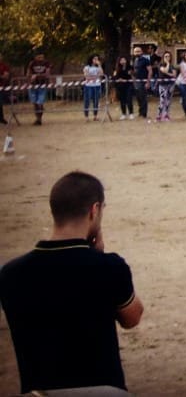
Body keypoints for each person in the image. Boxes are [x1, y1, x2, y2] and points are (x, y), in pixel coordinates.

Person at [0, 171, 144, 394]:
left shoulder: (10, 274)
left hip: (40, 394)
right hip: (103, 392)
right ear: (94, 210)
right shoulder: (109, 267)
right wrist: (98, 257)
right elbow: (132, 318)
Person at [26, 51, 51, 125]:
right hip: (33, 85)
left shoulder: (46, 63)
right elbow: (28, 74)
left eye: (42, 57)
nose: (41, 59)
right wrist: (30, 78)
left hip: (42, 85)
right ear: (35, 57)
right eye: (39, 57)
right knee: (34, 103)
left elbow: (47, 74)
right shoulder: (32, 63)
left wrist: (36, 75)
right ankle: (37, 118)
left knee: (40, 102)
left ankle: (39, 119)